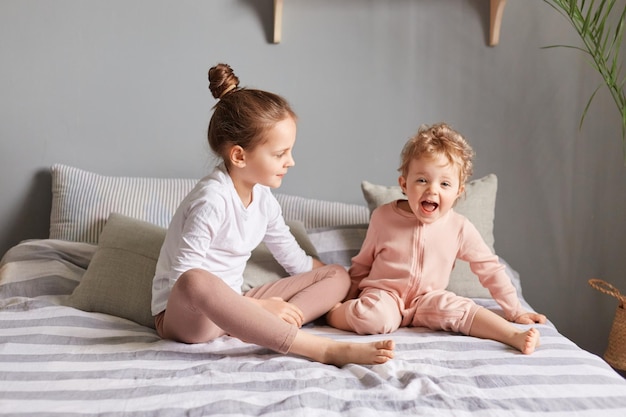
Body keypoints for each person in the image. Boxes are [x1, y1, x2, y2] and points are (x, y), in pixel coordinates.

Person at [151, 63, 395, 367]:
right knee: (195, 280)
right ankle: (321, 349)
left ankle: (263, 326)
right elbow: (181, 283)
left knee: (337, 274)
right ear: (239, 155)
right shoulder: (212, 200)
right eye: (280, 154)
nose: (290, 162)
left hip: (235, 306)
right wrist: (257, 306)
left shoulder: (263, 198)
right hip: (187, 319)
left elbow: (294, 259)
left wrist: (348, 284)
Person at [326, 122, 546, 354]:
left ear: (458, 192)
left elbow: (490, 269)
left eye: (445, 184)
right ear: (404, 184)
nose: (432, 190)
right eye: (422, 180)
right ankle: (332, 314)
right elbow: (362, 265)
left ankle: (513, 335)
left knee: (460, 308)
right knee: (372, 317)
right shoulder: (383, 217)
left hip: (427, 301)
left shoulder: (459, 228)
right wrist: (346, 298)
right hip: (385, 294)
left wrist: (515, 310)